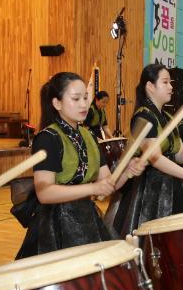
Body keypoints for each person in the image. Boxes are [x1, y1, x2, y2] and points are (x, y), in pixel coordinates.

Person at [16, 74, 145, 258]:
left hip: (87, 219)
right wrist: (92, 187)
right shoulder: (47, 138)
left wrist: (127, 172)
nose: (83, 104)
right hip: (55, 225)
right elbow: (44, 193)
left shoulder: (89, 136)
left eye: (85, 97)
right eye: (76, 99)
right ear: (57, 103)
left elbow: (108, 184)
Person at [104, 64, 183, 237]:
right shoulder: (143, 116)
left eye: (170, 83)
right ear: (150, 86)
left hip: (172, 185)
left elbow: (180, 155)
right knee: (153, 245)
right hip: (150, 192)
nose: (171, 87)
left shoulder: (168, 117)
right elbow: (156, 159)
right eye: (165, 82)